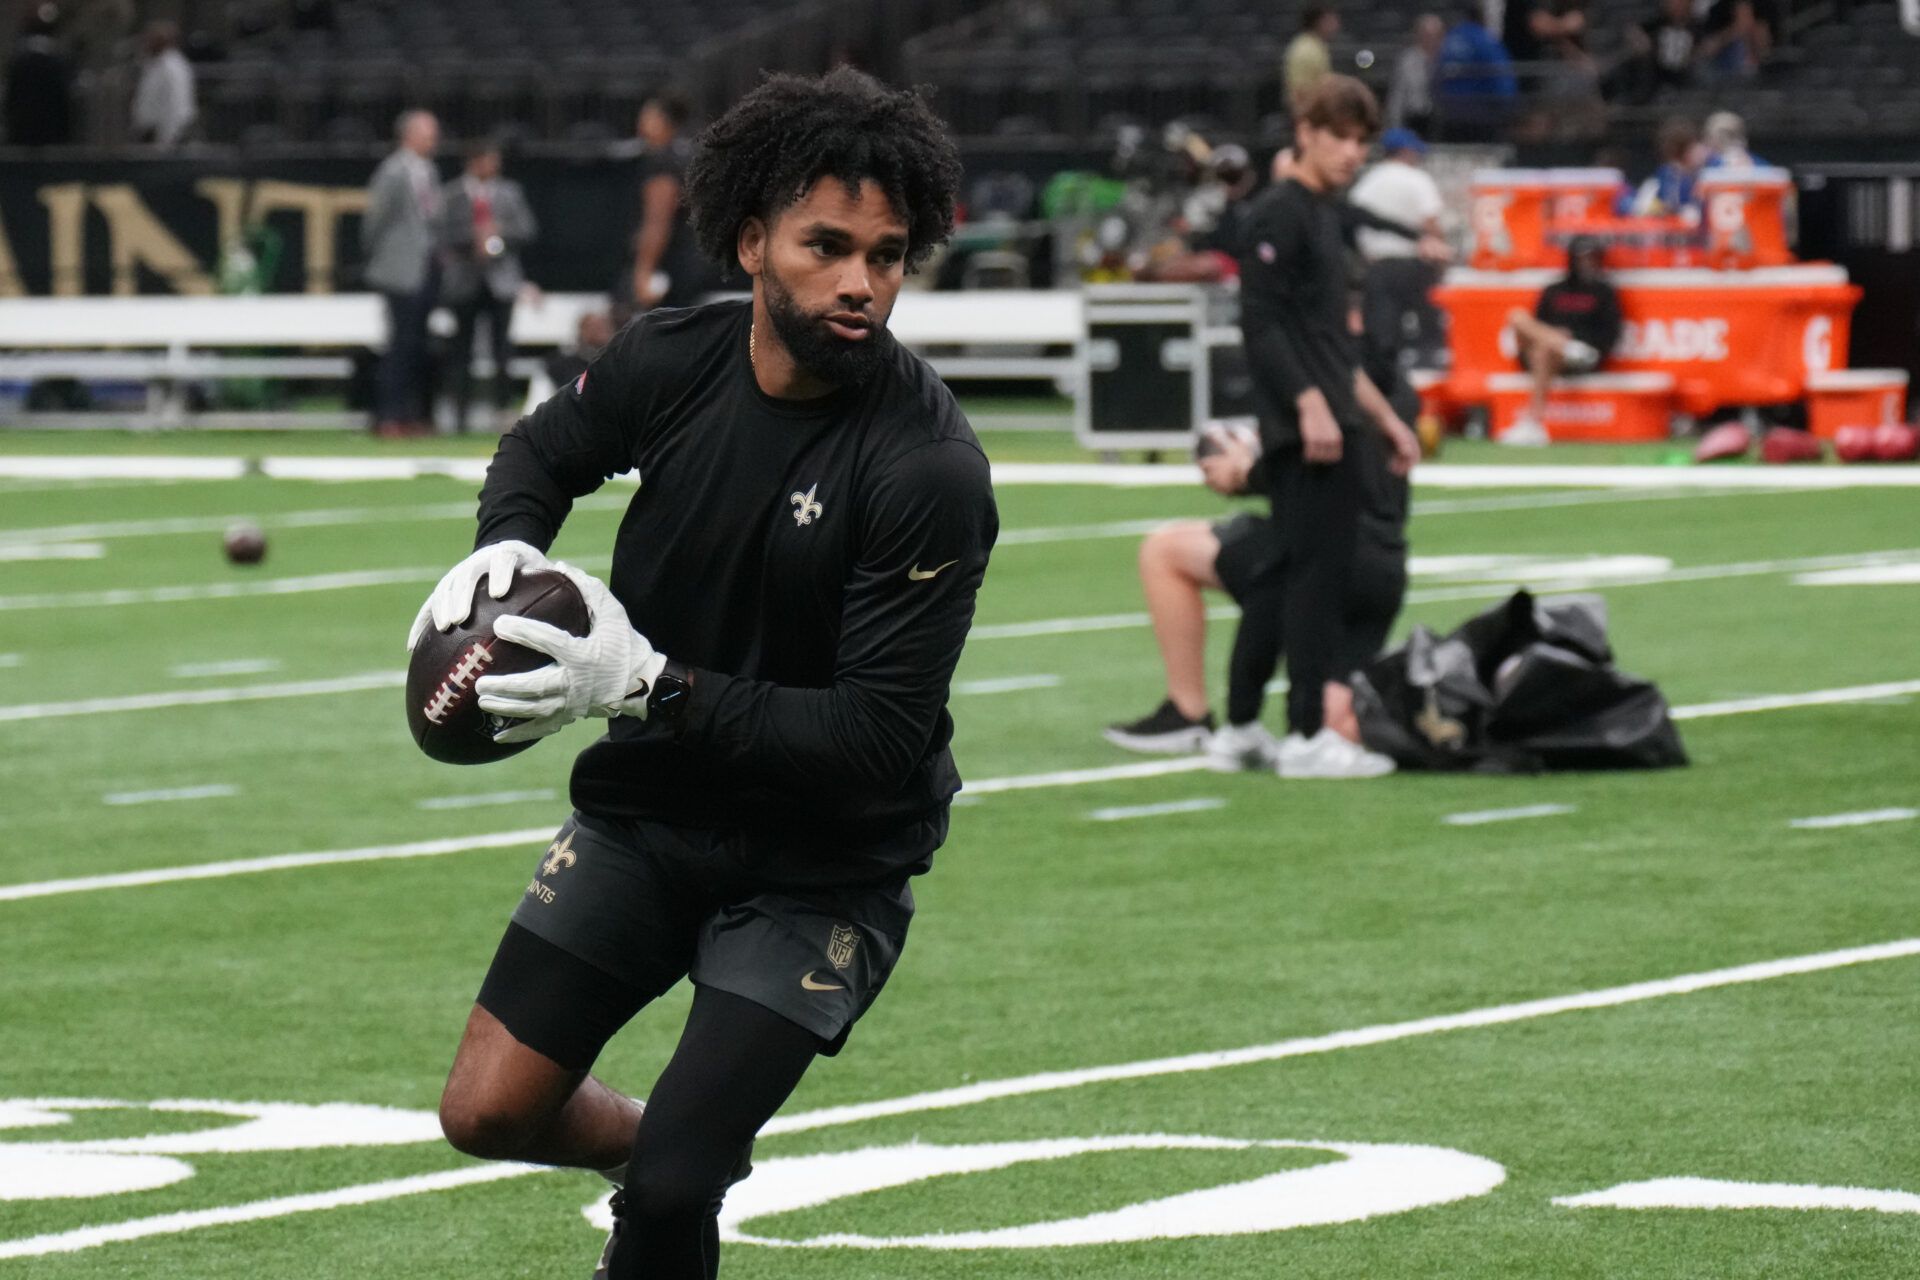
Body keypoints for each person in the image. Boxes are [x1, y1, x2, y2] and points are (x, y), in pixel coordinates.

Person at [412, 68, 992, 1279]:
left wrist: (646, 685)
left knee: (675, 1191)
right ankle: (672, 1141)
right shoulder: (671, 357)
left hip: (824, 857)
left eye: (886, 255)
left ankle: (682, 1156)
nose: (859, 283)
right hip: (653, 812)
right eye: (825, 245)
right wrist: (505, 549)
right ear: (749, 242)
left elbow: (874, 738)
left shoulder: (927, 466)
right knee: (489, 1112)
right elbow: (541, 446)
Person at [1229, 75, 1416, 779]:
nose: (1351, 152)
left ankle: (1243, 724)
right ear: (1305, 131)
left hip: (1331, 417)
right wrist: (1307, 402)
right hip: (1310, 429)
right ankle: (1306, 732)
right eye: (1339, 135)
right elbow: (1262, 323)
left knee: (1283, 574)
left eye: (1361, 140)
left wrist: (1386, 419)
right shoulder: (1283, 212)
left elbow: (1332, 347)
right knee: (1317, 583)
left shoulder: (1322, 216)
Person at [438, 139, 539, 434]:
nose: (493, 166)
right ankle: (459, 417)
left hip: (501, 282)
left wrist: (499, 235)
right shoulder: (452, 194)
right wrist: (472, 238)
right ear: (474, 161)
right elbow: (441, 233)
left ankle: (503, 413)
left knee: (502, 351)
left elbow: (527, 229)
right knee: (461, 352)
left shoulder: (509, 192)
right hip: (465, 281)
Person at [363, 109, 442, 436]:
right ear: (409, 135)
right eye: (428, 133)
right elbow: (375, 221)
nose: (434, 140)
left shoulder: (429, 171)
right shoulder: (392, 172)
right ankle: (389, 415)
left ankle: (412, 414)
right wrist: (383, 260)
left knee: (417, 345)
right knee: (400, 345)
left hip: (425, 268)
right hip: (399, 270)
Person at [1502, 234, 1622, 443]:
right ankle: (1567, 347)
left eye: (1590, 257)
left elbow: (1610, 334)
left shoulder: (1604, 292)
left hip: (1588, 354)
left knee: (1543, 351)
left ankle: (1533, 424)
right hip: (1551, 352)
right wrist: (1558, 338)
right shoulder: (1553, 290)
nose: (1586, 263)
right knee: (1517, 318)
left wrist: (1575, 336)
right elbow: (1537, 325)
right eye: (1581, 258)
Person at [1348, 126, 1448, 375]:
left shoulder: (1367, 181)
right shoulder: (1416, 179)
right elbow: (1430, 222)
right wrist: (1441, 257)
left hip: (1378, 266)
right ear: (1404, 152)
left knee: (1384, 332)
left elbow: (1353, 222)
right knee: (1427, 331)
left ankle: (1387, 378)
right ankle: (1427, 380)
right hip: (1415, 264)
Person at [621, 91, 709, 313]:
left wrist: (644, 272)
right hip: (694, 261)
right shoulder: (689, 155)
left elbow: (658, 219)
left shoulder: (662, 162)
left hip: (670, 266)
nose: (640, 123)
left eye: (647, 116)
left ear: (663, 121)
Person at [1435, 2, 1517, 140]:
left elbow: (1436, 76)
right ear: (1482, 17)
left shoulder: (1451, 38)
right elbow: (1502, 79)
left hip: (1451, 116)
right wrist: (1507, 107)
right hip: (1481, 117)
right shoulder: (1484, 39)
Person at [4, 4, 74, 146]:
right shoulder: (57, 63)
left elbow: (11, 98)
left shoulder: (20, 62)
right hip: (52, 134)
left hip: (22, 133)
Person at [129, 19, 195, 146]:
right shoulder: (153, 64)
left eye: (152, 39)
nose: (146, 43)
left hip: (167, 135)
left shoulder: (173, 67)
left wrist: (166, 138)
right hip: (148, 132)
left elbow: (176, 102)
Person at [1386, 13, 1444, 135]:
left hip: (1441, 119)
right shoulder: (1406, 60)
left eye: (1435, 35)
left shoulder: (1448, 59)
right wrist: (1395, 126)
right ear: (1418, 35)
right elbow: (1398, 94)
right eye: (1426, 35)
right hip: (1413, 118)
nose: (1431, 40)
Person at [1284, 7, 1340, 116]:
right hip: (1309, 114)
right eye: (1331, 19)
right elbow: (1299, 91)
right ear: (1319, 21)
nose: (1336, 24)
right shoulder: (1305, 49)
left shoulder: (1316, 46)